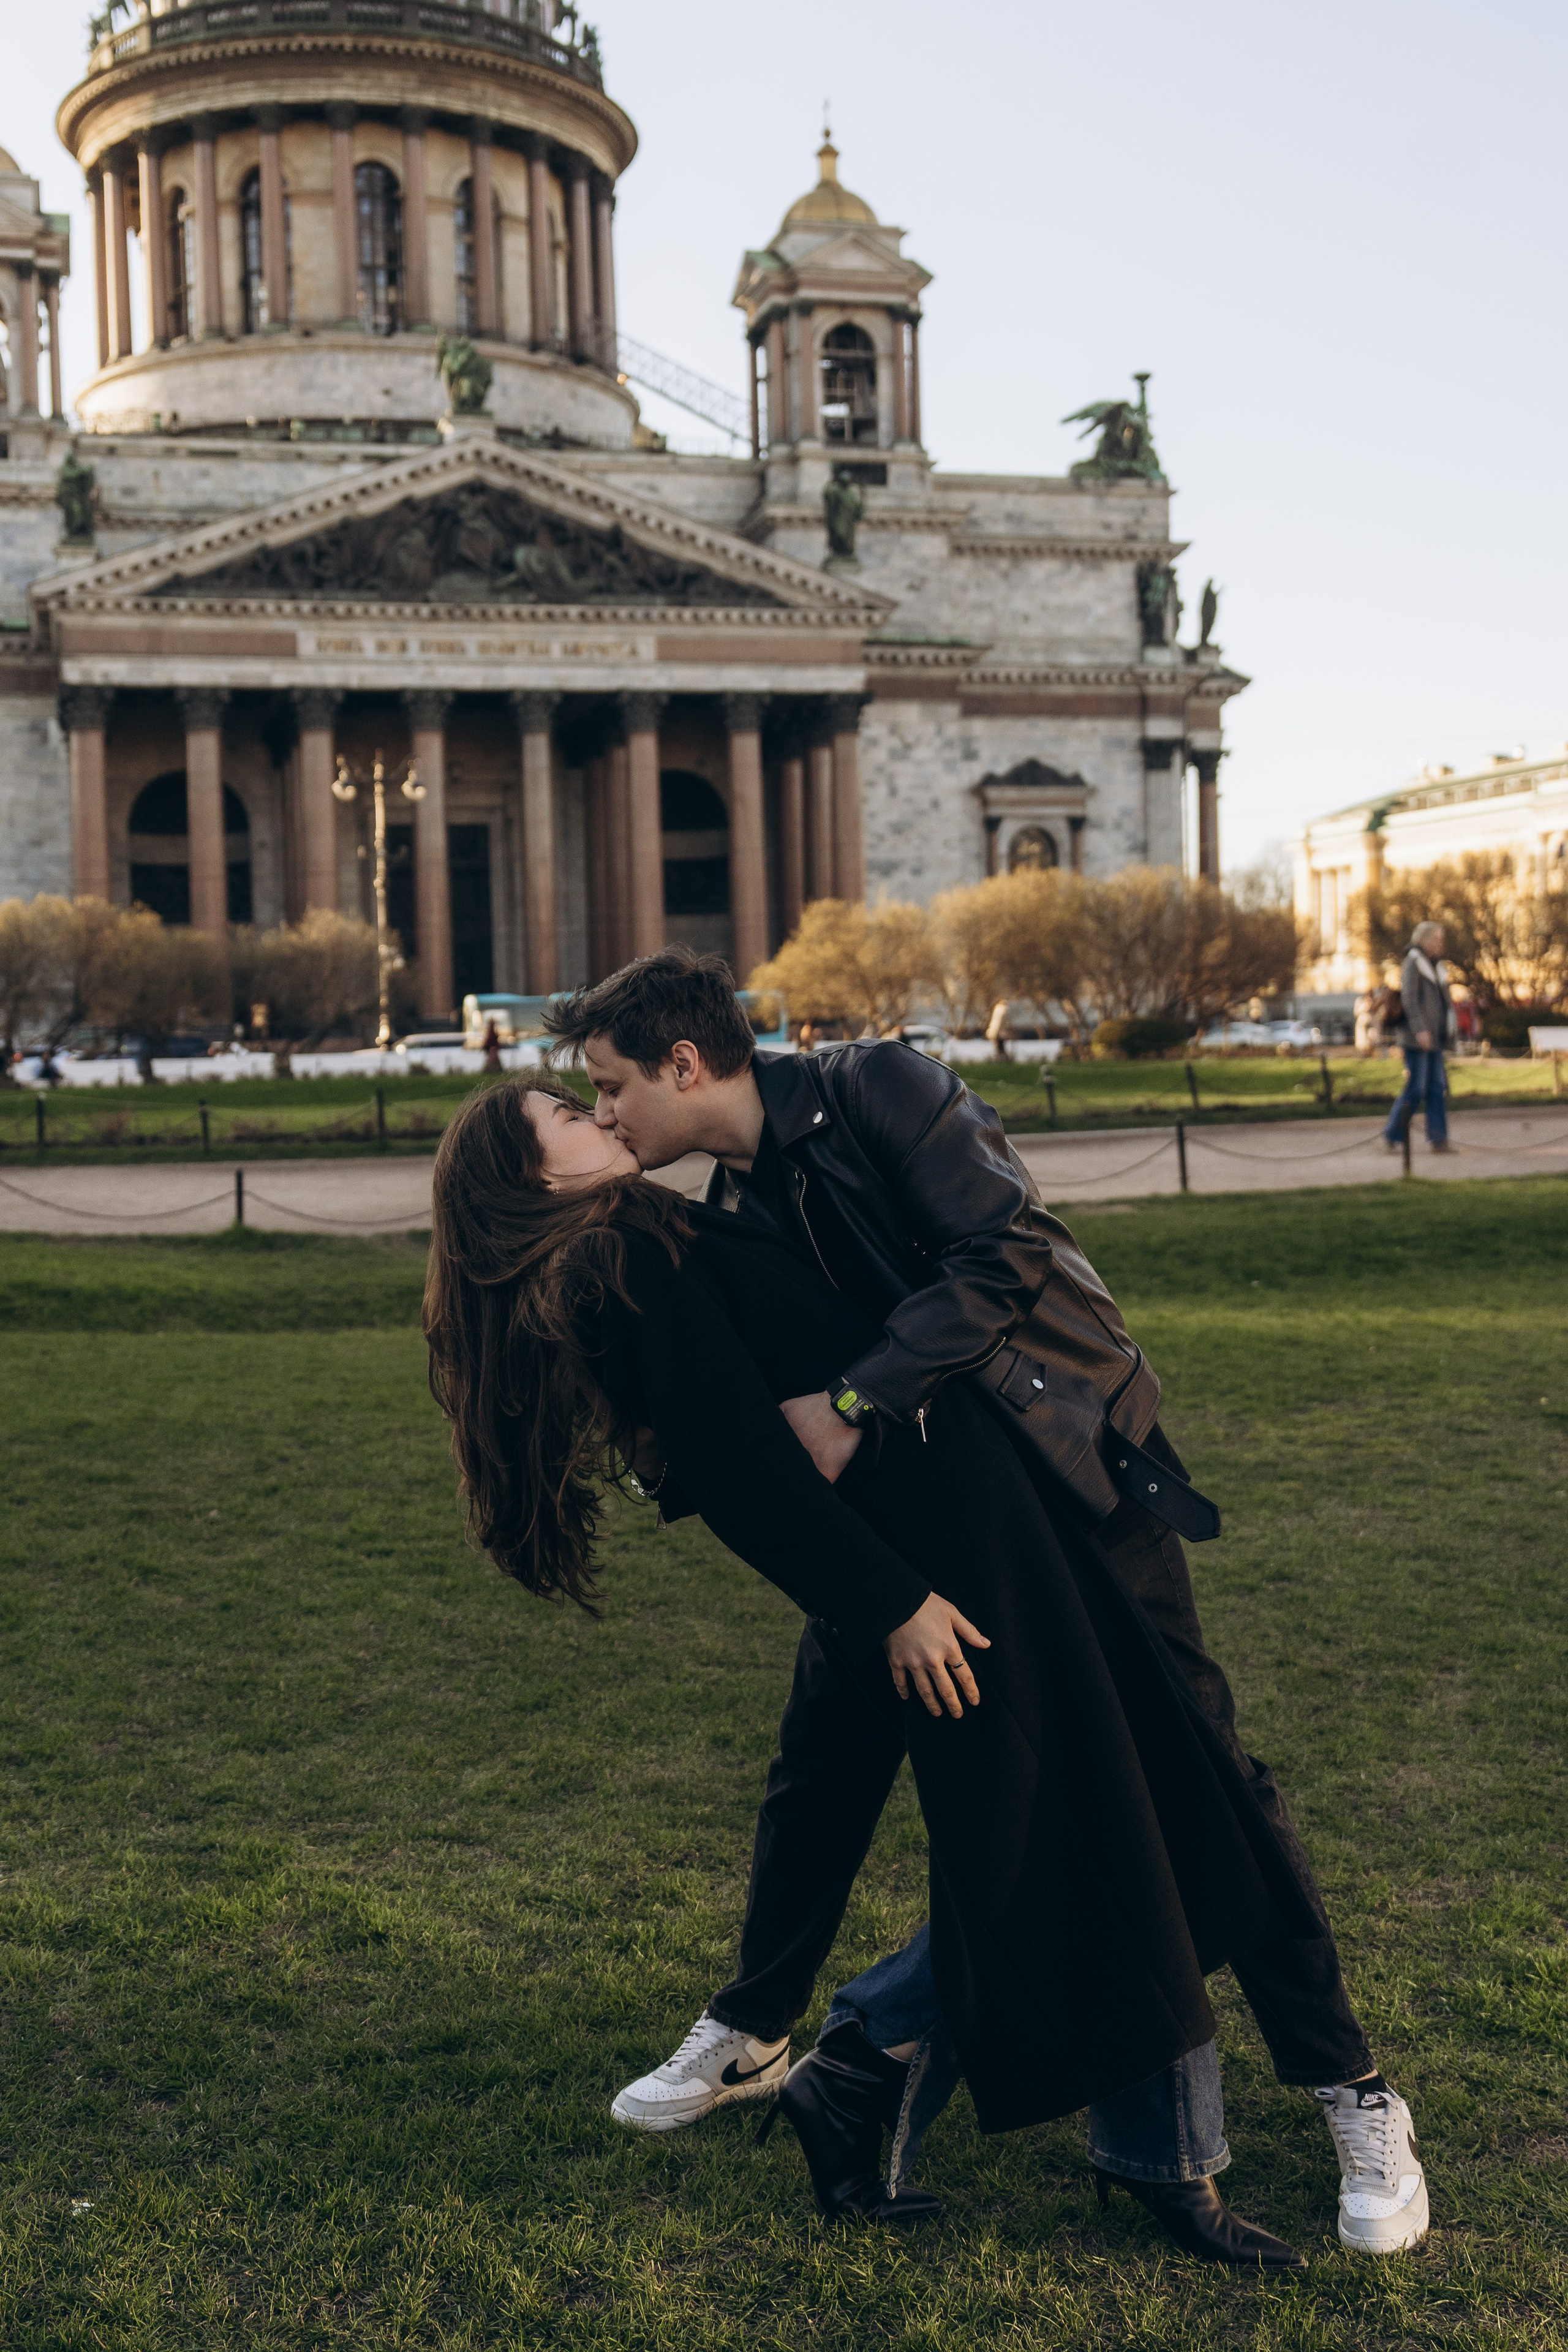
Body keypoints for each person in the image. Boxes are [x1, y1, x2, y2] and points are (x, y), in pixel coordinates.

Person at [544, 949, 1430, 2260]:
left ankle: (1350, 2088)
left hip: (1069, 1478)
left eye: (609, 1086)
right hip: (922, 1526)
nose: (606, 1111)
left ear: (684, 1065)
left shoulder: (876, 1087)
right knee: (828, 1769)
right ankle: (768, 2032)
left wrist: (855, 1401)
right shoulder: (727, 1194)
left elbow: (1004, 1253)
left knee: (1192, 1775)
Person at [1383, 923, 1456, 1156]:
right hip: (1417, 1039)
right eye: (1437, 939)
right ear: (1424, 940)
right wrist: (1420, 1030)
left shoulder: (1437, 966)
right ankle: (1391, 1135)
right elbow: (1409, 999)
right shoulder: (1413, 962)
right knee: (1416, 1088)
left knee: (1437, 1087)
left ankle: (1439, 1139)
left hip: (1435, 1039)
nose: (1440, 944)